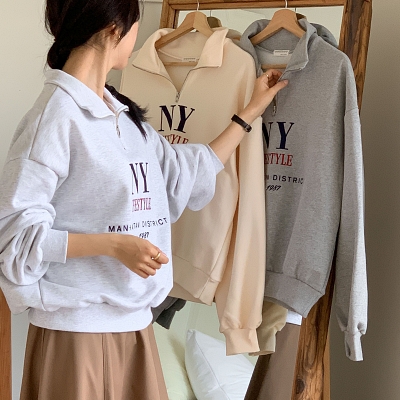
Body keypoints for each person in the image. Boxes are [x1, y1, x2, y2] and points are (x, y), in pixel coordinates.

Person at [0, 0, 288, 399]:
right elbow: (15, 241)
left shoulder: (121, 114)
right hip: (77, 336)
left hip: (134, 330)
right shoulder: (54, 118)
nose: (138, 37)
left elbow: (184, 173)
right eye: (135, 24)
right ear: (114, 28)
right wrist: (113, 245)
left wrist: (250, 111)